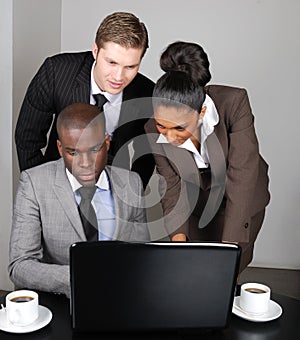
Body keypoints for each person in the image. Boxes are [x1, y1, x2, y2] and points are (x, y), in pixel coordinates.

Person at [145, 41, 270, 271]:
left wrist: (228, 252)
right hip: (197, 199)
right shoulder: (152, 129)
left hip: (241, 195)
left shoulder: (234, 104)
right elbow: (172, 187)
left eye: (180, 128)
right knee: (191, 266)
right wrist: (178, 245)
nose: (170, 137)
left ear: (201, 112)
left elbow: (242, 173)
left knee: (227, 271)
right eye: (163, 126)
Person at [9, 103, 150, 298]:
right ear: (60, 148)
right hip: (62, 302)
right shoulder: (34, 183)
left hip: (121, 297)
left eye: (94, 150)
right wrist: (79, 278)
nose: (85, 163)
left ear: (107, 143)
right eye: (73, 152)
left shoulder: (131, 183)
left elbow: (141, 254)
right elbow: (20, 265)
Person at [15, 11, 155, 189]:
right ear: (95, 51)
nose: (119, 77)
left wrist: (132, 193)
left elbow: (147, 155)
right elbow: (27, 137)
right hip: (59, 179)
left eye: (130, 66)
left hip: (114, 187)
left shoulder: (147, 92)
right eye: (112, 63)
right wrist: (41, 189)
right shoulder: (56, 73)